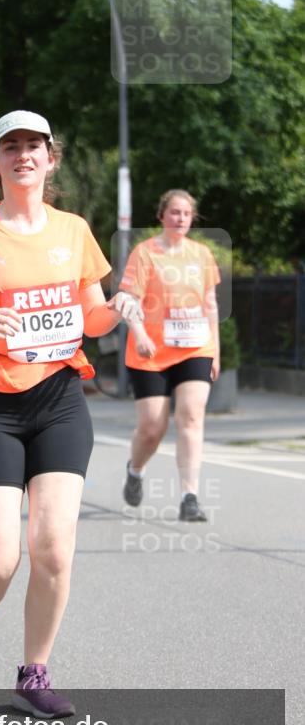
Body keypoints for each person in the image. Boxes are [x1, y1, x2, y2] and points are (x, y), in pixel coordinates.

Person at [0, 110, 142, 718]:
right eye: (10, 147)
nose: (24, 155)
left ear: (52, 158)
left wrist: (116, 306)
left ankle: (35, 670)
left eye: (34, 146)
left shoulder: (73, 231)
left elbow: (90, 316)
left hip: (60, 399)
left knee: (53, 549)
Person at [119, 189, 221, 522]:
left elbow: (210, 304)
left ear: (193, 219)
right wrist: (140, 333)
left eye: (186, 214)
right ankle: (135, 470)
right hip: (151, 351)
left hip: (195, 347)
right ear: (162, 216)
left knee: (191, 416)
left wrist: (215, 351)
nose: (180, 219)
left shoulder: (202, 255)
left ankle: (189, 497)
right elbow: (128, 300)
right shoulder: (145, 253)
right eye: (174, 212)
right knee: (152, 427)